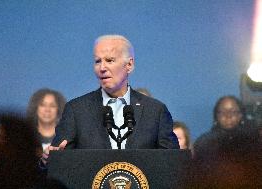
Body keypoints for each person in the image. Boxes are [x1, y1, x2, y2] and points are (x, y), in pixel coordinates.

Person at [42, 34, 179, 163]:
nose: (102, 67)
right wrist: (49, 160)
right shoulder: (76, 110)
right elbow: (56, 163)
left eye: (109, 60)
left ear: (129, 65)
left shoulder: (155, 111)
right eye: (97, 61)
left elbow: (172, 164)